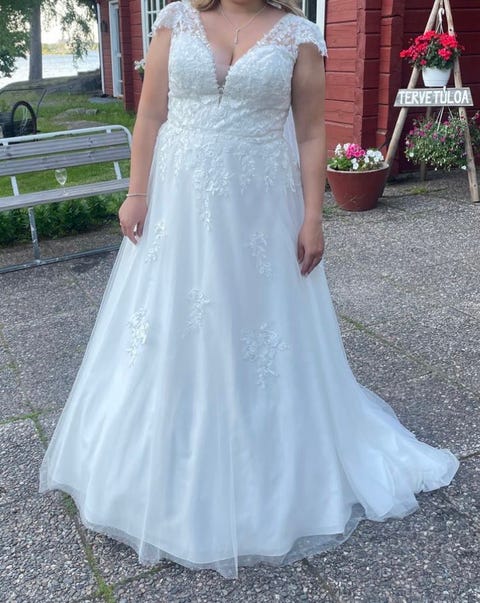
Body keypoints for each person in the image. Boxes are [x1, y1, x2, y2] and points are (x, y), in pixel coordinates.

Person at [39, 0, 460, 580]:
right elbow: (152, 114)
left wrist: (313, 217)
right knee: (169, 324)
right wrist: (137, 192)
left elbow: (310, 134)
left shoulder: (299, 36)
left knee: (253, 325)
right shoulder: (174, 21)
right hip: (179, 204)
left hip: (259, 210)